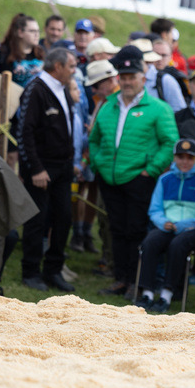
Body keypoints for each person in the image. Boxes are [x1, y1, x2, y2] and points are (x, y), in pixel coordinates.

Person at [88, 45, 179, 297]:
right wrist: (98, 163)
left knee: (136, 231)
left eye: (132, 77)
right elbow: (94, 139)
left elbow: (170, 143)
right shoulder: (108, 105)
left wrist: (151, 170)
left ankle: (136, 282)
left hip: (139, 179)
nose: (127, 82)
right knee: (116, 229)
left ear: (142, 77)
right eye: (123, 77)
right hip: (109, 178)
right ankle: (121, 279)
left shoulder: (159, 108)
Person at [17, 48, 78, 292]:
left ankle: (53, 270)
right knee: (37, 219)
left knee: (63, 217)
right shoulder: (36, 89)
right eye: (71, 66)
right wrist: (35, 168)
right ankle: (30, 271)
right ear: (57, 66)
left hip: (63, 166)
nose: (74, 71)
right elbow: (25, 131)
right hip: (42, 167)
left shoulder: (63, 88)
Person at [135, 138, 195, 313]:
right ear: (174, 158)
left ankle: (166, 295)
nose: (185, 162)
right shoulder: (164, 179)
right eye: (180, 157)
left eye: (189, 158)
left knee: (177, 245)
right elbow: (155, 209)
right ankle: (147, 293)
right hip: (166, 225)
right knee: (150, 242)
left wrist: (184, 224)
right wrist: (162, 222)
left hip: (192, 229)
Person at [73, 59, 118, 259]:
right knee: (103, 214)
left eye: (96, 85)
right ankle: (106, 256)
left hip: (114, 169)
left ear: (109, 81)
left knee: (110, 216)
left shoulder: (117, 102)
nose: (93, 90)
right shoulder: (102, 101)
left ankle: (111, 260)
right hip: (101, 166)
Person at [0, 14, 44, 87]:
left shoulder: (41, 53)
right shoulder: (4, 53)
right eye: (32, 31)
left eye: (38, 31)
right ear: (20, 32)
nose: (37, 34)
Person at [147, 39, 189, 111]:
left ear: (170, 57)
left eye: (164, 55)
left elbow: (179, 110)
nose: (159, 58)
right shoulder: (143, 76)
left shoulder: (177, 78)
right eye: (156, 54)